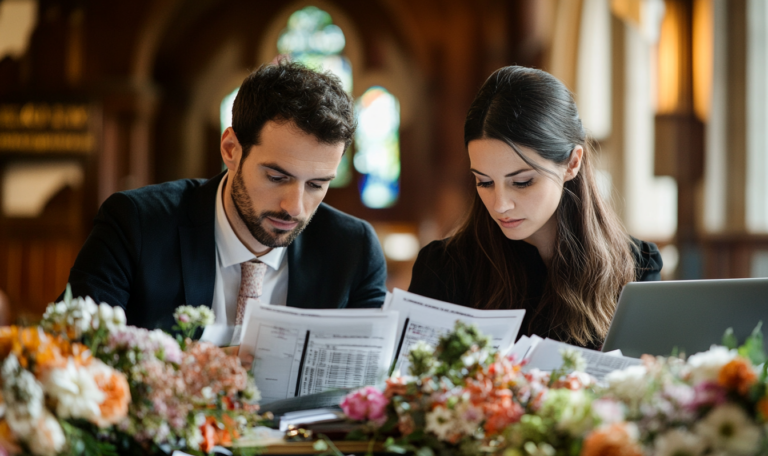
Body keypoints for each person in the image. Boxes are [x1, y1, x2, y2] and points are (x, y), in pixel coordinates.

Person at [65, 61, 387, 336]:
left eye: (316, 185)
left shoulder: (354, 250)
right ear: (231, 150)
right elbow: (76, 353)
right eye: (276, 177)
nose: (295, 207)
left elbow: (367, 385)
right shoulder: (135, 225)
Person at [409, 66, 662, 350]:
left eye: (522, 182)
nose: (500, 204)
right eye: (484, 182)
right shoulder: (444, 269)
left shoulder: (636, 266)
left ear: (572, 163)